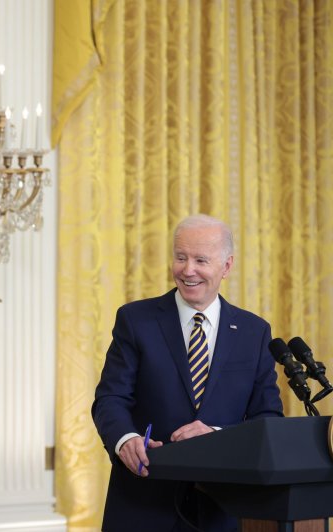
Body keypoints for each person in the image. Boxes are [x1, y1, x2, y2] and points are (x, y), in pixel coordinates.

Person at [92, 214, 283, 531]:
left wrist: (218, 437)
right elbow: (110, 397)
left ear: (227, 266)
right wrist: (125, 439)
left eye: (200, 260)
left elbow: (269, 418)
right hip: (143, 502)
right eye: (181, 257)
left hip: (223, 508)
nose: (187, 270)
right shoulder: (135, 320)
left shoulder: (255, 332)